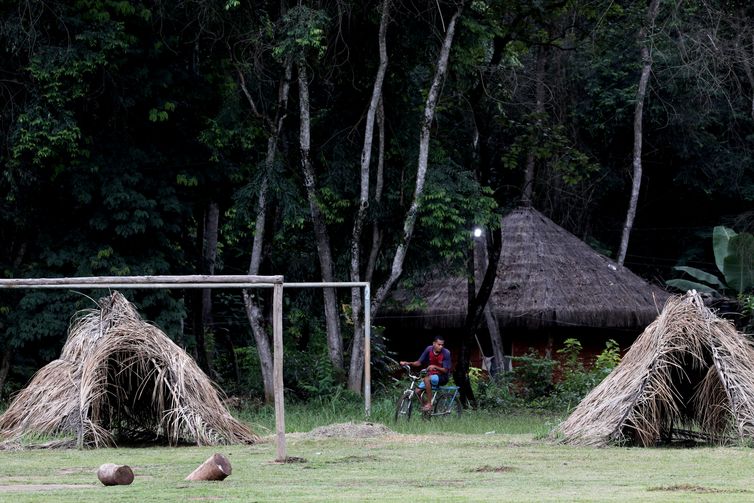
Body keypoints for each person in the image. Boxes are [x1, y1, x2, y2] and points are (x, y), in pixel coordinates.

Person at [400, 336, 451, 412]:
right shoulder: (429, 349)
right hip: (431, 376)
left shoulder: (446, 353)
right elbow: (418, 363)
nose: (441, 347)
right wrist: (408, 363)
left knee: (426, 378)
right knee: (417, 392)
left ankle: (429, 404)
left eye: (442, 345)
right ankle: (426, 409)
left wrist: (435, 367)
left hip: (442, 377)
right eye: (439, 344)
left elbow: (445, 370)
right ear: (434, 343)